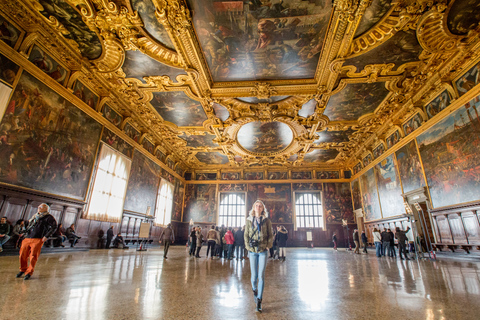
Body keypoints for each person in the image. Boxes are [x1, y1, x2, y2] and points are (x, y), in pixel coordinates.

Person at [244, 200, 274, 313]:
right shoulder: (248, 221)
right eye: (256, 205)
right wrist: (248, 247)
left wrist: (268, 246)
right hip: (252, 251)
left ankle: (259, 300)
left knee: (261, 276)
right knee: (253, 276)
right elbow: (245, 235)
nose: (258, 207)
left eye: (260, 206)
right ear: (253, 207)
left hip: (263, 251)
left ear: (262, 208)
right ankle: (255, 290)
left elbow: (270, 235)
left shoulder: (266, 221)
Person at [17, 203, 57, 280]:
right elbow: (29, 225)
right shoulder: (35, 216)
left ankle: (29, 272)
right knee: (22, 254)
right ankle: (22, 269)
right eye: (39, 206)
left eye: (41, 207)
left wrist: (46, 236)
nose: (39, 207)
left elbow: (54, 227)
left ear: (46, 209)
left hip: (38, 238)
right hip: (28, 237)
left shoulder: (49, 217)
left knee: (33, 256)